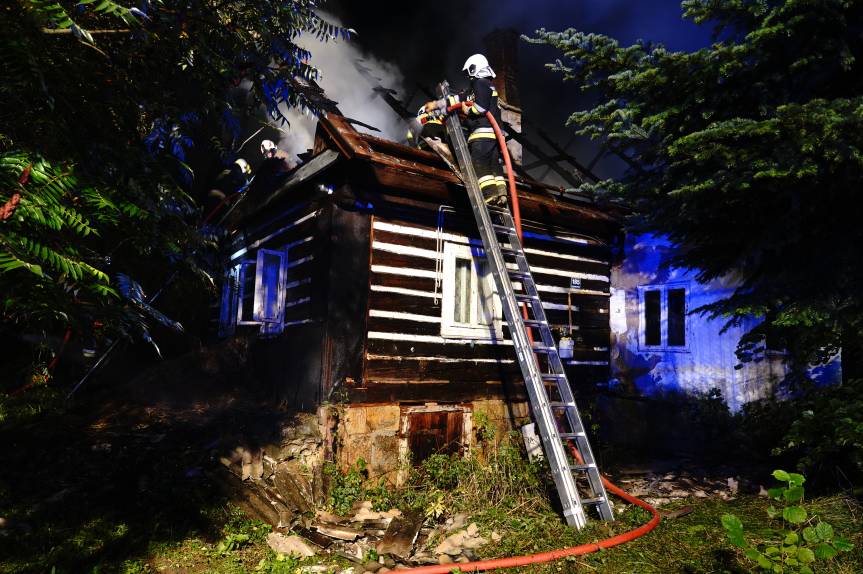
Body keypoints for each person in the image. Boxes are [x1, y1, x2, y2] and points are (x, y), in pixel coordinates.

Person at [424, 53, 507, 206]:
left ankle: (489, 195)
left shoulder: (480, 83)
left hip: (481, 133)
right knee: (493, 163)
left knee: (479, 162)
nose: (468, 76)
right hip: (493, 135)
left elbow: (481, 108)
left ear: (474, 69)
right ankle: (501, 193)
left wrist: (467, 111)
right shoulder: (486, 86)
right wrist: (436, 104)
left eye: (469, 71)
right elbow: (457, 99)